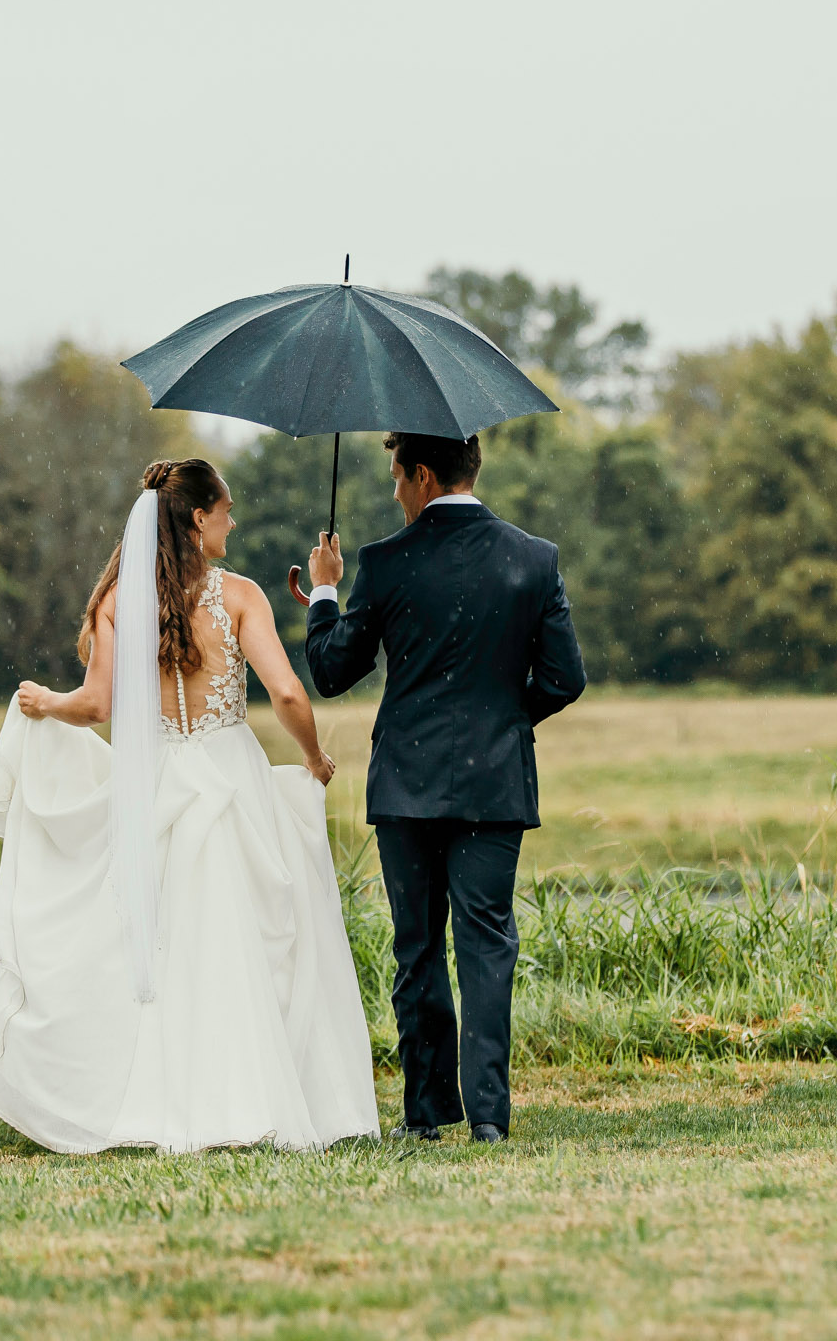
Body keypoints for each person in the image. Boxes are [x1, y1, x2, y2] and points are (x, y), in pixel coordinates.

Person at [0, 458, 379, 1153]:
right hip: (229, 773)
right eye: (225, 510)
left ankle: (171, 1098)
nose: (232, 521)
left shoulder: (118, 602)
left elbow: (96, 706)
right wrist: (312, 758)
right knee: (253, 938)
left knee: (171, 945)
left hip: (155, 780)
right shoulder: (241, 596)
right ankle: (260, 1094)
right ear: (199, 517)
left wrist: (46, 702)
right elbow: (286, 694)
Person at [303, 431, 587, 1143]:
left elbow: (333, 672)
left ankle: (425, 1116)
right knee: (489, 945)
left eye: (398, 478)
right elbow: (565, 678)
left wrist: (326, 591)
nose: (395, 493)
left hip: (406, 785)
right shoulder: (535, 558)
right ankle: (489, 1117)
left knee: (418, 948)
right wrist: (503, 720)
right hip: (497, 784)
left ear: (423, 476)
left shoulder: (387, 563)